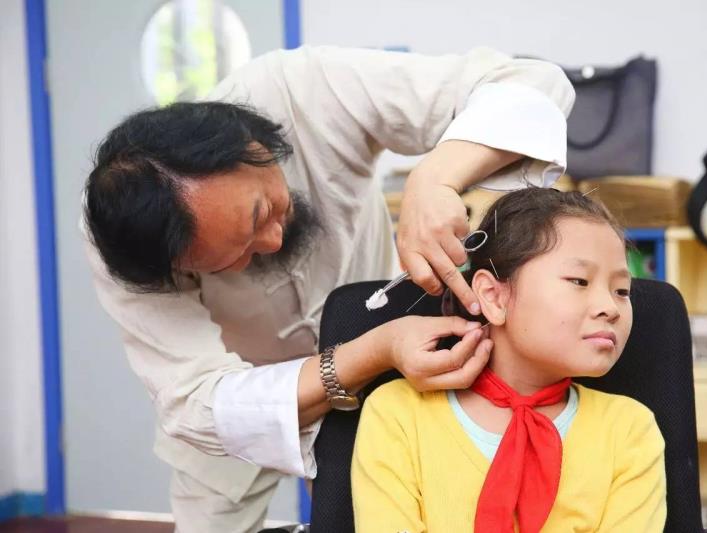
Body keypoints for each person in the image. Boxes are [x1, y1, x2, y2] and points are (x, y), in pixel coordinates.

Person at [82, 45, 574, 532]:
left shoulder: (303, 91)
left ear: (255, 149)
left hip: (394, 371)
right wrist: (371, 352)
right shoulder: (128, 248)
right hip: (241, 407)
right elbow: (196, 403)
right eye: (230, 261)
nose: (272, 241)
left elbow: (534, 85)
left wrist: (434, 179)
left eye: (261, 213)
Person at [352, 187, 667, 532]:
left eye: (622, 291)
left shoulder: (629, 431)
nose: (610, 307)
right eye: (579, 281)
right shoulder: (399, 415)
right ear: (494, 297)